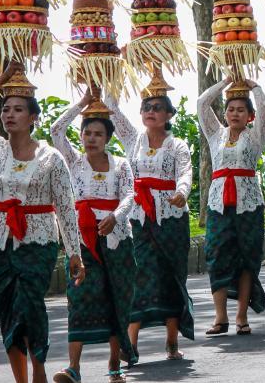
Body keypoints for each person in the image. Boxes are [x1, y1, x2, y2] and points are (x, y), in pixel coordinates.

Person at [0, 63, 84, 383]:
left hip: (38, 239)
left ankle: (38, 365)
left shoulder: (51, 157)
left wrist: (74, 253)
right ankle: (21, 379)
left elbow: (66, 207)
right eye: (6, 108)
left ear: (33, 117)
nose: (9, 114)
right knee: (5, 308)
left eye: (18, 109)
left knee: (28, 304)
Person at [105, 74, 193, 362]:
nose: (150, 112)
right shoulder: (132, 138)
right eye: (146, 107)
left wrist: (182, 191)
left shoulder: (177, 144)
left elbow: (185, 171)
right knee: (137, 276)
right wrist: (114, 71)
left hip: (171, 218)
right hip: (139, 219)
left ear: (168, 114)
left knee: (170, 277)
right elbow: (111, 107)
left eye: (157, 107)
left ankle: (171, 342)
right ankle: (131, 345)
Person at [50, 92, 137, 383]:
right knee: (79, 298)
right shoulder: (73, 161)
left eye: (98, 133)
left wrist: (116, 217)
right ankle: (73, 367)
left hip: (115, 241)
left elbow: (129, 196)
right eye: (87, 132)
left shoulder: (122, 164)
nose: (91, 138)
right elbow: (55, 130)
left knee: (115, 300)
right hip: (81, 243)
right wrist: (82, 102)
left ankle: (114, 367)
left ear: (108, 138)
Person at [197, 77, 265, 336]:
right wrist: (226, 82)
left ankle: (241, 316)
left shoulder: (256, 136)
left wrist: (255, 86)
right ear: (225, 113)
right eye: (231, 109)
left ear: (249, 115)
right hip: (218, 204)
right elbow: (202, 104)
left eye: (241, 110)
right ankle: (220, 317)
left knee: (247, 257)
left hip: (248, 203)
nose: (235, 113)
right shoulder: (216, 134)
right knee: (216, 255)